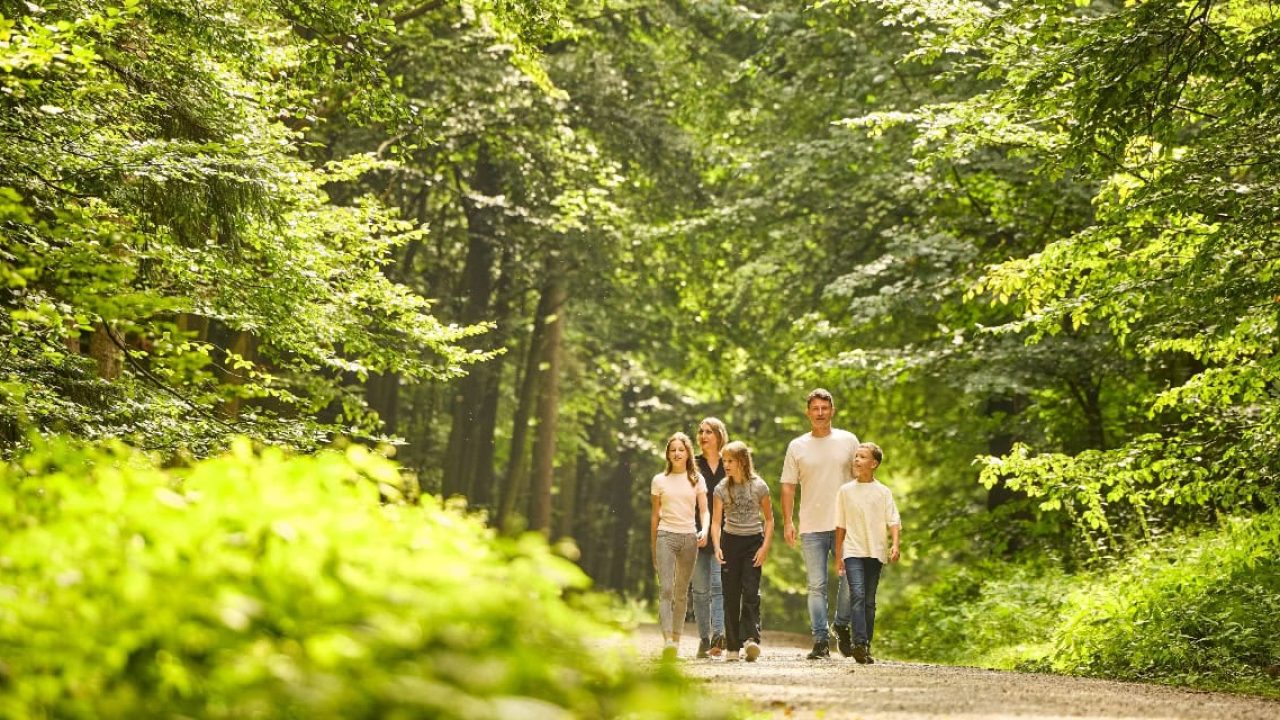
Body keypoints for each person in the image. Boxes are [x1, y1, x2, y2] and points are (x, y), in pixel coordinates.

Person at [780, 388, 860, 659]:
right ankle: (820, 641)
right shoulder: (797, 446)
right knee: (816, 585)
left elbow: (861, 478)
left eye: (824, 408)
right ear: (808, 413)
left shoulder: (849, 441)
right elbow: (788, 486)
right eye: (815, 408)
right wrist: (788, 521)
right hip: (812, 525)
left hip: (845, 524)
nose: (820, 413)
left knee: (852, 579)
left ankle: (841, 624)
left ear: (832, 411)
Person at [834, 442, 901, 664]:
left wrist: (895, 545)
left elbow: (893, 520)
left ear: (874, 464)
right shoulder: (845, 491)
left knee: (869, 601)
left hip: (876, 550)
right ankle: (859, 644)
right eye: (856, 456)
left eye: (862, 457)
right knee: (858, 594)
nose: (857, 460)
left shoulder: (883, 492)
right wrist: (839, 555)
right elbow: (840, 525)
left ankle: (866, 646)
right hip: (852, 550)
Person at [711, 440, 773, 662]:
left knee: (751, 591)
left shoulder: (759, 486)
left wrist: (764, 547)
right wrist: (717, 546)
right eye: (724, 461)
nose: (726, 465)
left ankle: (750, 639)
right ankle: (732, 646)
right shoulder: (721, 488)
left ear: (743, 461)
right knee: (731, 594)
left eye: (730, 461)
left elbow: (769, 520)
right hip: (730, 542)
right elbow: (716, 522)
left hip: (753, 543)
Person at [650, 431, 710, 661]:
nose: (676, 453)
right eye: (673, 450)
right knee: (666, 590)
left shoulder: (696, 479)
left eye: (681, 450)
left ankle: (676, 640)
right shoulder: (659, 480)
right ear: (668, 454)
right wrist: (653, 546)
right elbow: (654, 516)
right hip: (665, 536)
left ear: (688, 453)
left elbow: (704, 510)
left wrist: (704, 529)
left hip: (689, 538)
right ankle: (667, 640)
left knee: (681, 593)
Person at [692, 417, 728, 658]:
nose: (703, 436)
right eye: (701, 432)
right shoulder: (692, 464)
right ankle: (704, 638)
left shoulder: (730, 463)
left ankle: (719, 635)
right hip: (695, 532)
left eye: (709, 432)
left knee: (718, 585)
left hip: (724, 535)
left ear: (719, 435)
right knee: (699, 590)